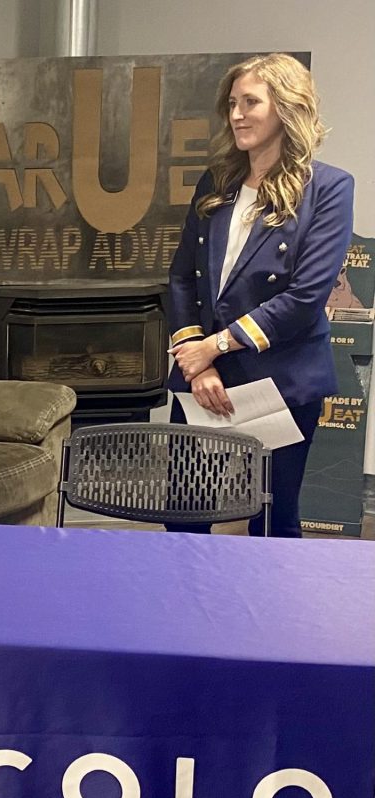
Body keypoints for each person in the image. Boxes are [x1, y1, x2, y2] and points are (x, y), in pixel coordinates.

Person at [166, 53, 353, 537]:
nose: (237, 114)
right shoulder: (216, 183)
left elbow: (306, 296)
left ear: (286, 109)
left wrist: (216, 345)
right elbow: (183, 277)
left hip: (281, 383)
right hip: (204, 380)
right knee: (184, 512)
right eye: (232, 103)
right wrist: (200, 361)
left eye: (251, 102)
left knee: (272, 521)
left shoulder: (329, 189)